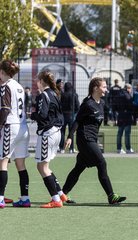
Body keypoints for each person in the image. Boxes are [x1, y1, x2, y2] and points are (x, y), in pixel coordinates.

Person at [62, 77, 126, 205]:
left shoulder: (101, 103)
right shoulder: (87, 104)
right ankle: (111, 196)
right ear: (95, 88)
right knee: (101, 163)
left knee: (78, 168)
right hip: (85, 139)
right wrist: (69, 136)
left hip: (92, 139)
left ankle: (61, 195)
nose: (106, 89)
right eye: (104, 87)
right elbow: (77, 121)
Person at [31, 70, 68, 208]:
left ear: (41, 81)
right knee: (44, 166)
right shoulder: (55, 93)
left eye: (37, 81)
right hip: (57, 132)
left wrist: (32, 115)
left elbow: (43, 115)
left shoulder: (44, 95)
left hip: (48, 133)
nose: (36, 84)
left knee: (42, 166)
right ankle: (61, 193)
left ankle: (56, 200)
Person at [0, 60, 30, 208]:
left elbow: (5, 109)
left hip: (10, 127)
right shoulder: (19, 86)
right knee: (21, 164)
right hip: (23, 127)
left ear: (2, 72)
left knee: (3, 161)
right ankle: (25, 198)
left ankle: (0, 198)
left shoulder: (5, 86)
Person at [59, 82, 80, 153]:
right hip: (72, 114)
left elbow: (60, 105)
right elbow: (77, 105)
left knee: (62, 132)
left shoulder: (63, 95)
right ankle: (71, 148)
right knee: (71, 132)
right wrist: (75, 112)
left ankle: (61, 148)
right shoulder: (74, 95)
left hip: (63, 114)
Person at [117, 83, 134, 154]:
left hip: (120, 115)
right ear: (128, 88)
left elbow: (115, 105)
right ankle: (128, 148)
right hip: (127, 115)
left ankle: (119, 148)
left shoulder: (119, 95)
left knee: (119, 133)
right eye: (130, 89)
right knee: (127, 133)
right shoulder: (127, 96)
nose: (131, 90)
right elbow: (131, 106)